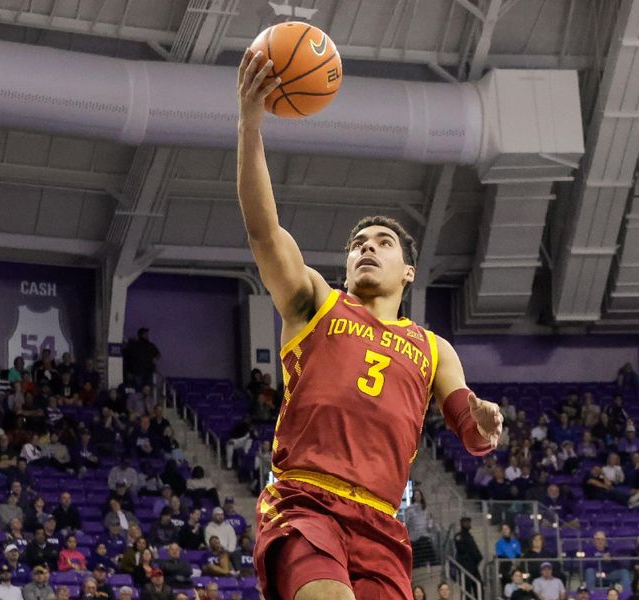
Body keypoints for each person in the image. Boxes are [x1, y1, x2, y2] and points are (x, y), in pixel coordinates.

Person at [237, 48, 503, 600]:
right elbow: (265, 234)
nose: (366, 249)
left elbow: (472, 436)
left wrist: (483, 420)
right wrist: (251, 123)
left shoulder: (433, 349)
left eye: (382, 244)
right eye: (358, 244)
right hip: (305, 502)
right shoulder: (316, 304)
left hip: (381, 523)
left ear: (407, 270)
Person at [405, 489, 435, 568]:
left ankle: (429, 568)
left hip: (424, 536)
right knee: (416, 560)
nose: (417, 496)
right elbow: (407, 523)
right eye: (415, 495)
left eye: (418, 495)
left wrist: (430, 526)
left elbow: (430, 520)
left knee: (428, 554)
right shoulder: (409, 510)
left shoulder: (426, 510)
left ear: (421, 497)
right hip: (414, 537)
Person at [454, 517, 483, 596]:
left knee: (479, 586)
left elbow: (474, 550)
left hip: (473, 567)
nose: (468, 524)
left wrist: (478, 558)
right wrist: (475, 557)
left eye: (469, 522)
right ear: (461, 524)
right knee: (466, 590)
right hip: (465, 567)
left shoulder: (469, 536)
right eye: (466, 522)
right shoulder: (458, 536)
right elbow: (462, 550)